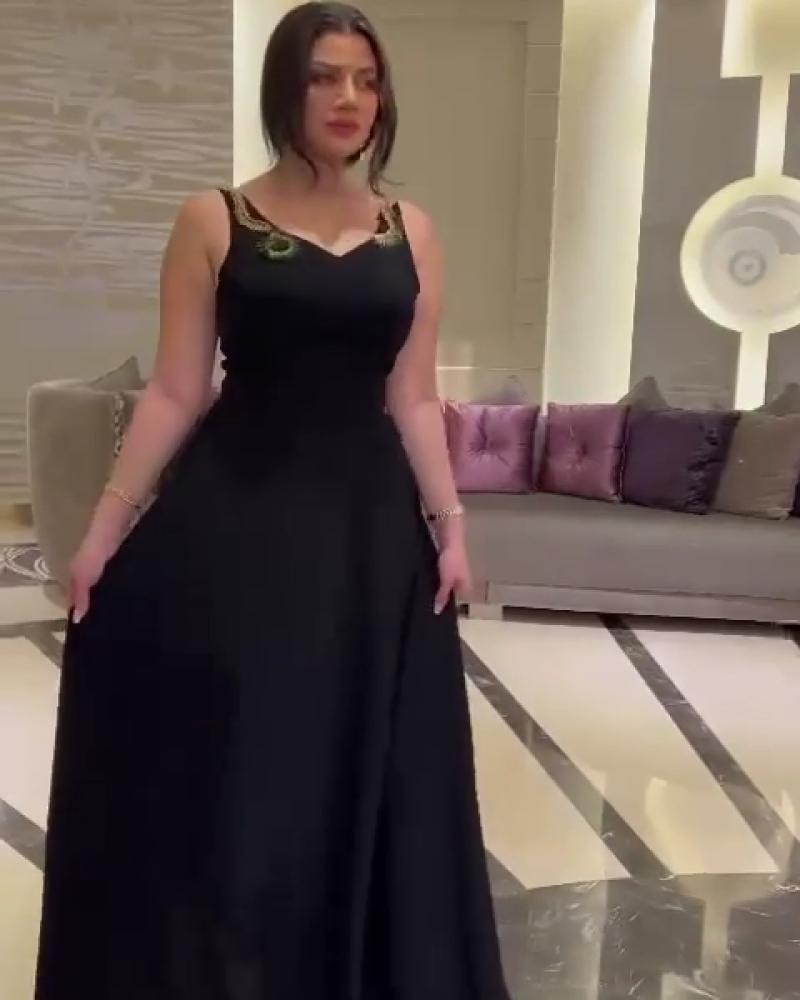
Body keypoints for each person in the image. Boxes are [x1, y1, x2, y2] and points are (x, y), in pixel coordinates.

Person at [35, 3, 511, 997]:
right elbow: (177, 389)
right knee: (246, 764)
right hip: (234, 530)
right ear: (284, 88)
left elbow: (413, 397)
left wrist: (452, 529)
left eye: (366, 80)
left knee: (350, 764)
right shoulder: (214, 219)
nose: (348, 98)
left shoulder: (411, 232)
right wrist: (103, 531)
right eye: (325, 77)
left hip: (367, 543)